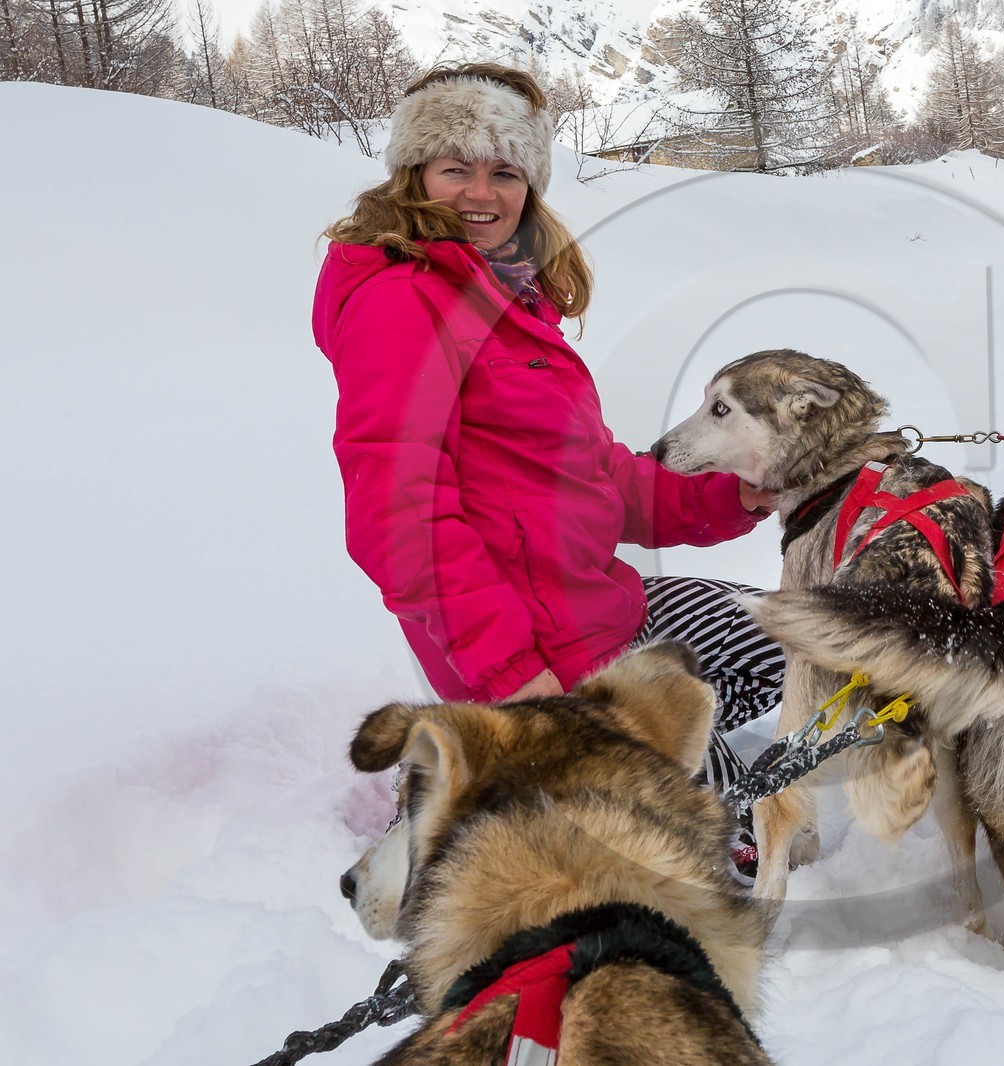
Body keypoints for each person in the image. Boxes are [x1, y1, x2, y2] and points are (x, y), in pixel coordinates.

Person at [310, 63, 784, 835]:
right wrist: (515, 677)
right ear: (414, 174)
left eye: (505, 172)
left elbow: (590, 475)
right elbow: (399, 513)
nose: (480, 193)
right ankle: (492, 774)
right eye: (455, 168)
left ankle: (533, 774)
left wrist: (729, 495)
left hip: (600, 612)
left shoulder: (509, 297)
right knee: (726, 851)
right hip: (534, 658)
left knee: (803, 641)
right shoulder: (404, 300)